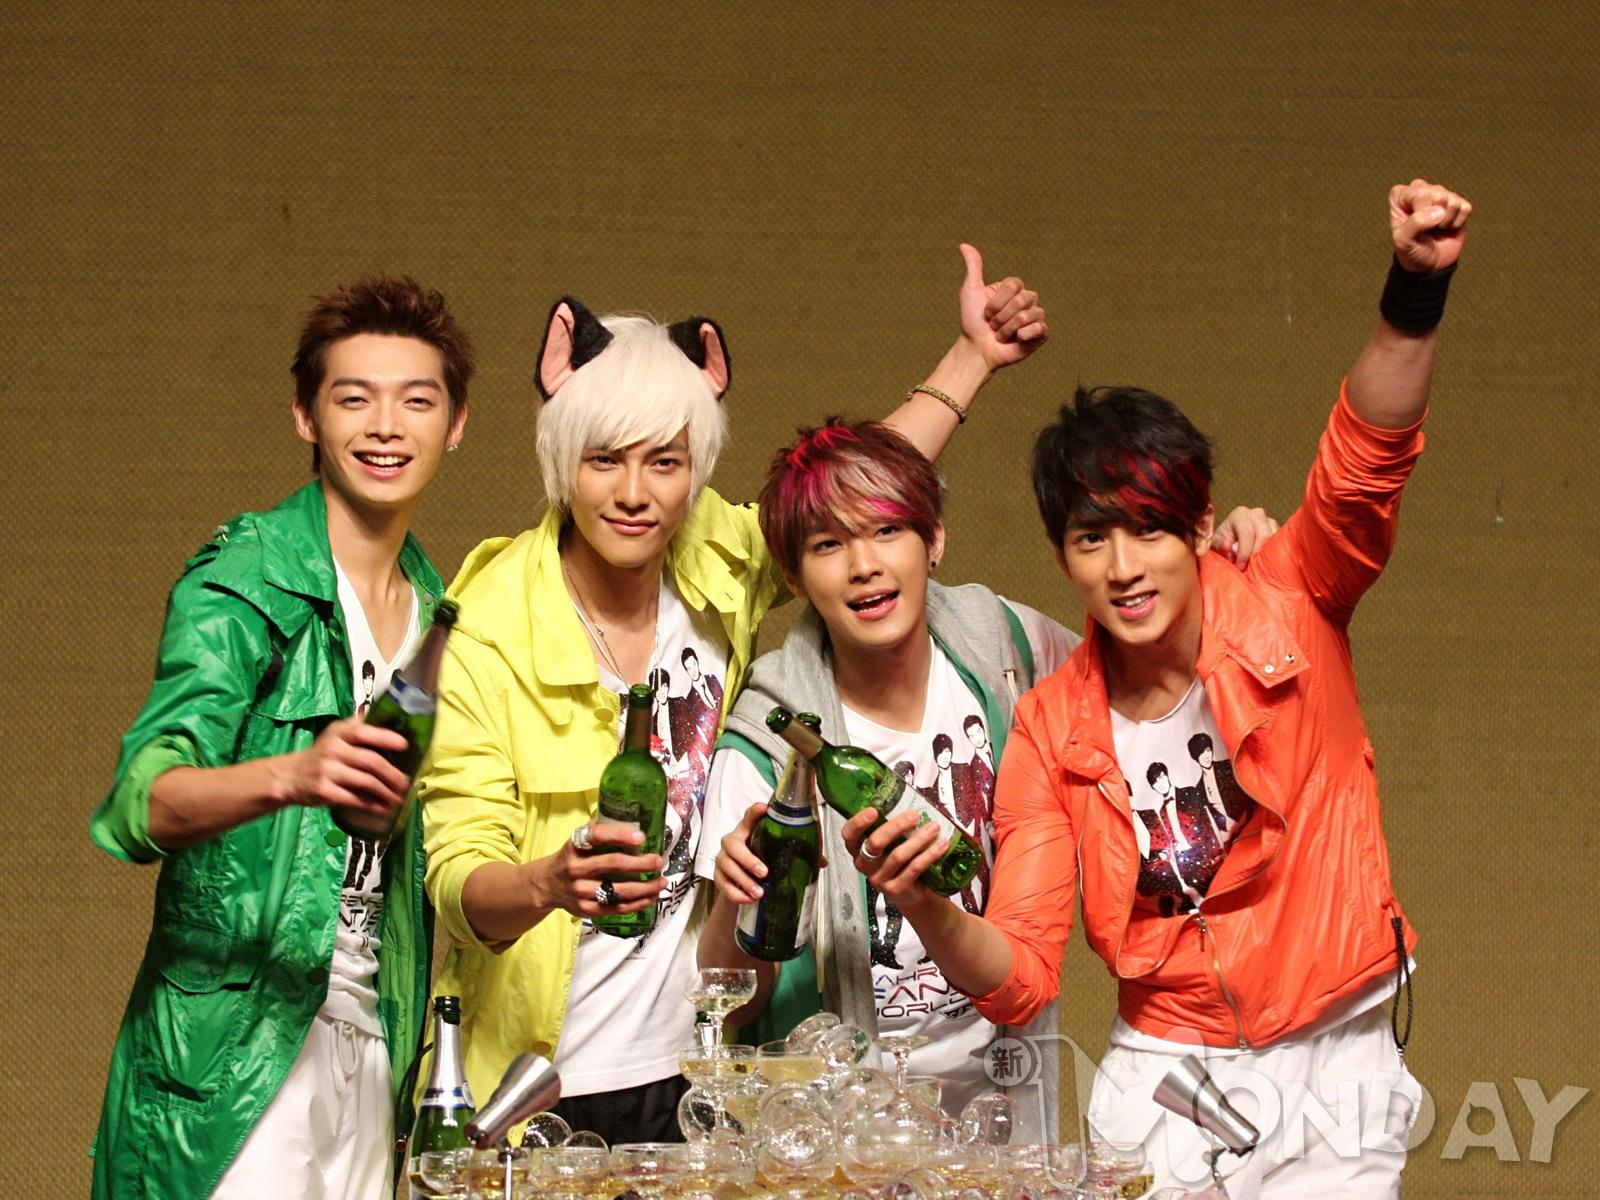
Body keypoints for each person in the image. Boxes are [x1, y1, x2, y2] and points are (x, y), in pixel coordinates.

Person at [839, 178, 1471, 1195]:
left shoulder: (1290, 598)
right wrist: (924, 905)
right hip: (1168, 1075)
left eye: (1148, 530)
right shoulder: (1053, 727)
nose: (1124, 567)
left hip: (1336, 1054)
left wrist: (1414, 291)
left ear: (1199, 522)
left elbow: (1366, 460)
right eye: (1092, 539)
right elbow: (1021, 975)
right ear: (1063, 555)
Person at [418, 248, 1047, 1143]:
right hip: (544, 1073)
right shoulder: (487, 623)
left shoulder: (713, 559)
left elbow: (848, 501)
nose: (634, 494)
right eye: (604, 460)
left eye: (665, 463)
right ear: (562, 460)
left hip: (701, 1071)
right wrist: (547, 880)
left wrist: (972, 357)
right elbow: (455, 878)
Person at [696, 419, 1278, 1127]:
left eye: (887, 531)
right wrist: (731, 903)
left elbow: (1150, 673)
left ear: (934, 539)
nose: (864, 565)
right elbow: (734, 1000)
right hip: (833, 1125)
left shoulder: (1005, 646)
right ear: (794, 576)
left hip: (998, 1103)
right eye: (828, 545)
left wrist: (1223, 567)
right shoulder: (769, 738)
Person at [89, 275, 472, 1198]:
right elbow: (140, 803)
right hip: (235, 1051)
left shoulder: (439, 609)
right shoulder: (246, 577)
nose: (387, 427)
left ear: (456, 425)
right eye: (355, 398)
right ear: (306, 416)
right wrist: (294, 773)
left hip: (374, 1041)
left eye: (417, 401)